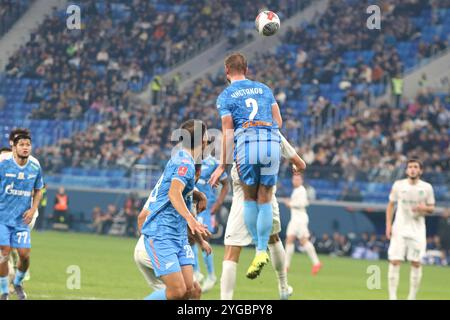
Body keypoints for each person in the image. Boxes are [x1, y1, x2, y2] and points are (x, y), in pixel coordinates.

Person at [210, 52, 283, 279]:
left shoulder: (226, 96)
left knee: (249, 198)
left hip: (248, 146)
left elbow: (228, 131)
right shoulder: (264, 89)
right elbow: (278, 122)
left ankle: (259, 250)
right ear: (247, 69)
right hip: (271, 143)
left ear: (226, 71)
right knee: (266, 197)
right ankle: (263, 252)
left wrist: (223, 165)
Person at [220, 133, 306, 300]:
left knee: (231, 249)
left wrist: (221, 167)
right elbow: (299, 162)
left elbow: (226, 148)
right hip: (266, 186)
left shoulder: (240, 125)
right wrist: (297, 165)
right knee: (273, 239)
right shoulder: (271, 128)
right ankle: (283, 288)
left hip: (242, 187)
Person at [138, 119, 210, 300]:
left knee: (191, 290)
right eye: (207, 135)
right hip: (162, 233)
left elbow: (180, 191)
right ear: (202, 139)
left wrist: (198, 195)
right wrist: (191, 220)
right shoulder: (184, 163)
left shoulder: (184, 160)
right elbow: (174, 193)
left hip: (177, 235)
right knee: (177, 292)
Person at [0, 134, 44, 300]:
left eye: (28, 145)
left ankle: (17, 282)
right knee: (4, 252)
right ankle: (4, 291)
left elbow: (39, 189)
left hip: (21, 220)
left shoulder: (34, 166)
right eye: (22, 144)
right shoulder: (3, 164)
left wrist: (33, 209)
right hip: (2, 218)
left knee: (24, 255)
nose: (25, 147)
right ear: (14, 147)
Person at [386, 159, 435, 300]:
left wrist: (423, 208)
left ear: (420, 171)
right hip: (399, 228)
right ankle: (392, 297)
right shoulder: (398, 185)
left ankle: (411, 297)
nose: (413, 169)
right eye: (410, 167)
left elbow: (432, 207)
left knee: (416, 262)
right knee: (395, 261)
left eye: (415, 167)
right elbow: (390, 205)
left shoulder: (427, 188)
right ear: (406, 170)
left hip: (417, 230)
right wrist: (388, 225)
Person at [193, 154, 229, 292]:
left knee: (202, 237)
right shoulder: (192, 159)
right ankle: (196, 271)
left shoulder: (214, 163)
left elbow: (226, 185)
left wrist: (218, 204)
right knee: (189, 236)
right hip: (192, 204)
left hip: (206, 208)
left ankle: (211, 275)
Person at [284, 174, 322, 275]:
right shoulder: (296, 190)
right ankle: (286, 266)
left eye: (297, 179)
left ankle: (316, 263)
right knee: (289, 239)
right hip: (295, 219)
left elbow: (303, 203)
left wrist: (290, 204)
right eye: (294, 179)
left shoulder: (302, 190)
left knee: (303, 241)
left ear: (301, 181)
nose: (295, 181)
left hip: (300, 218)